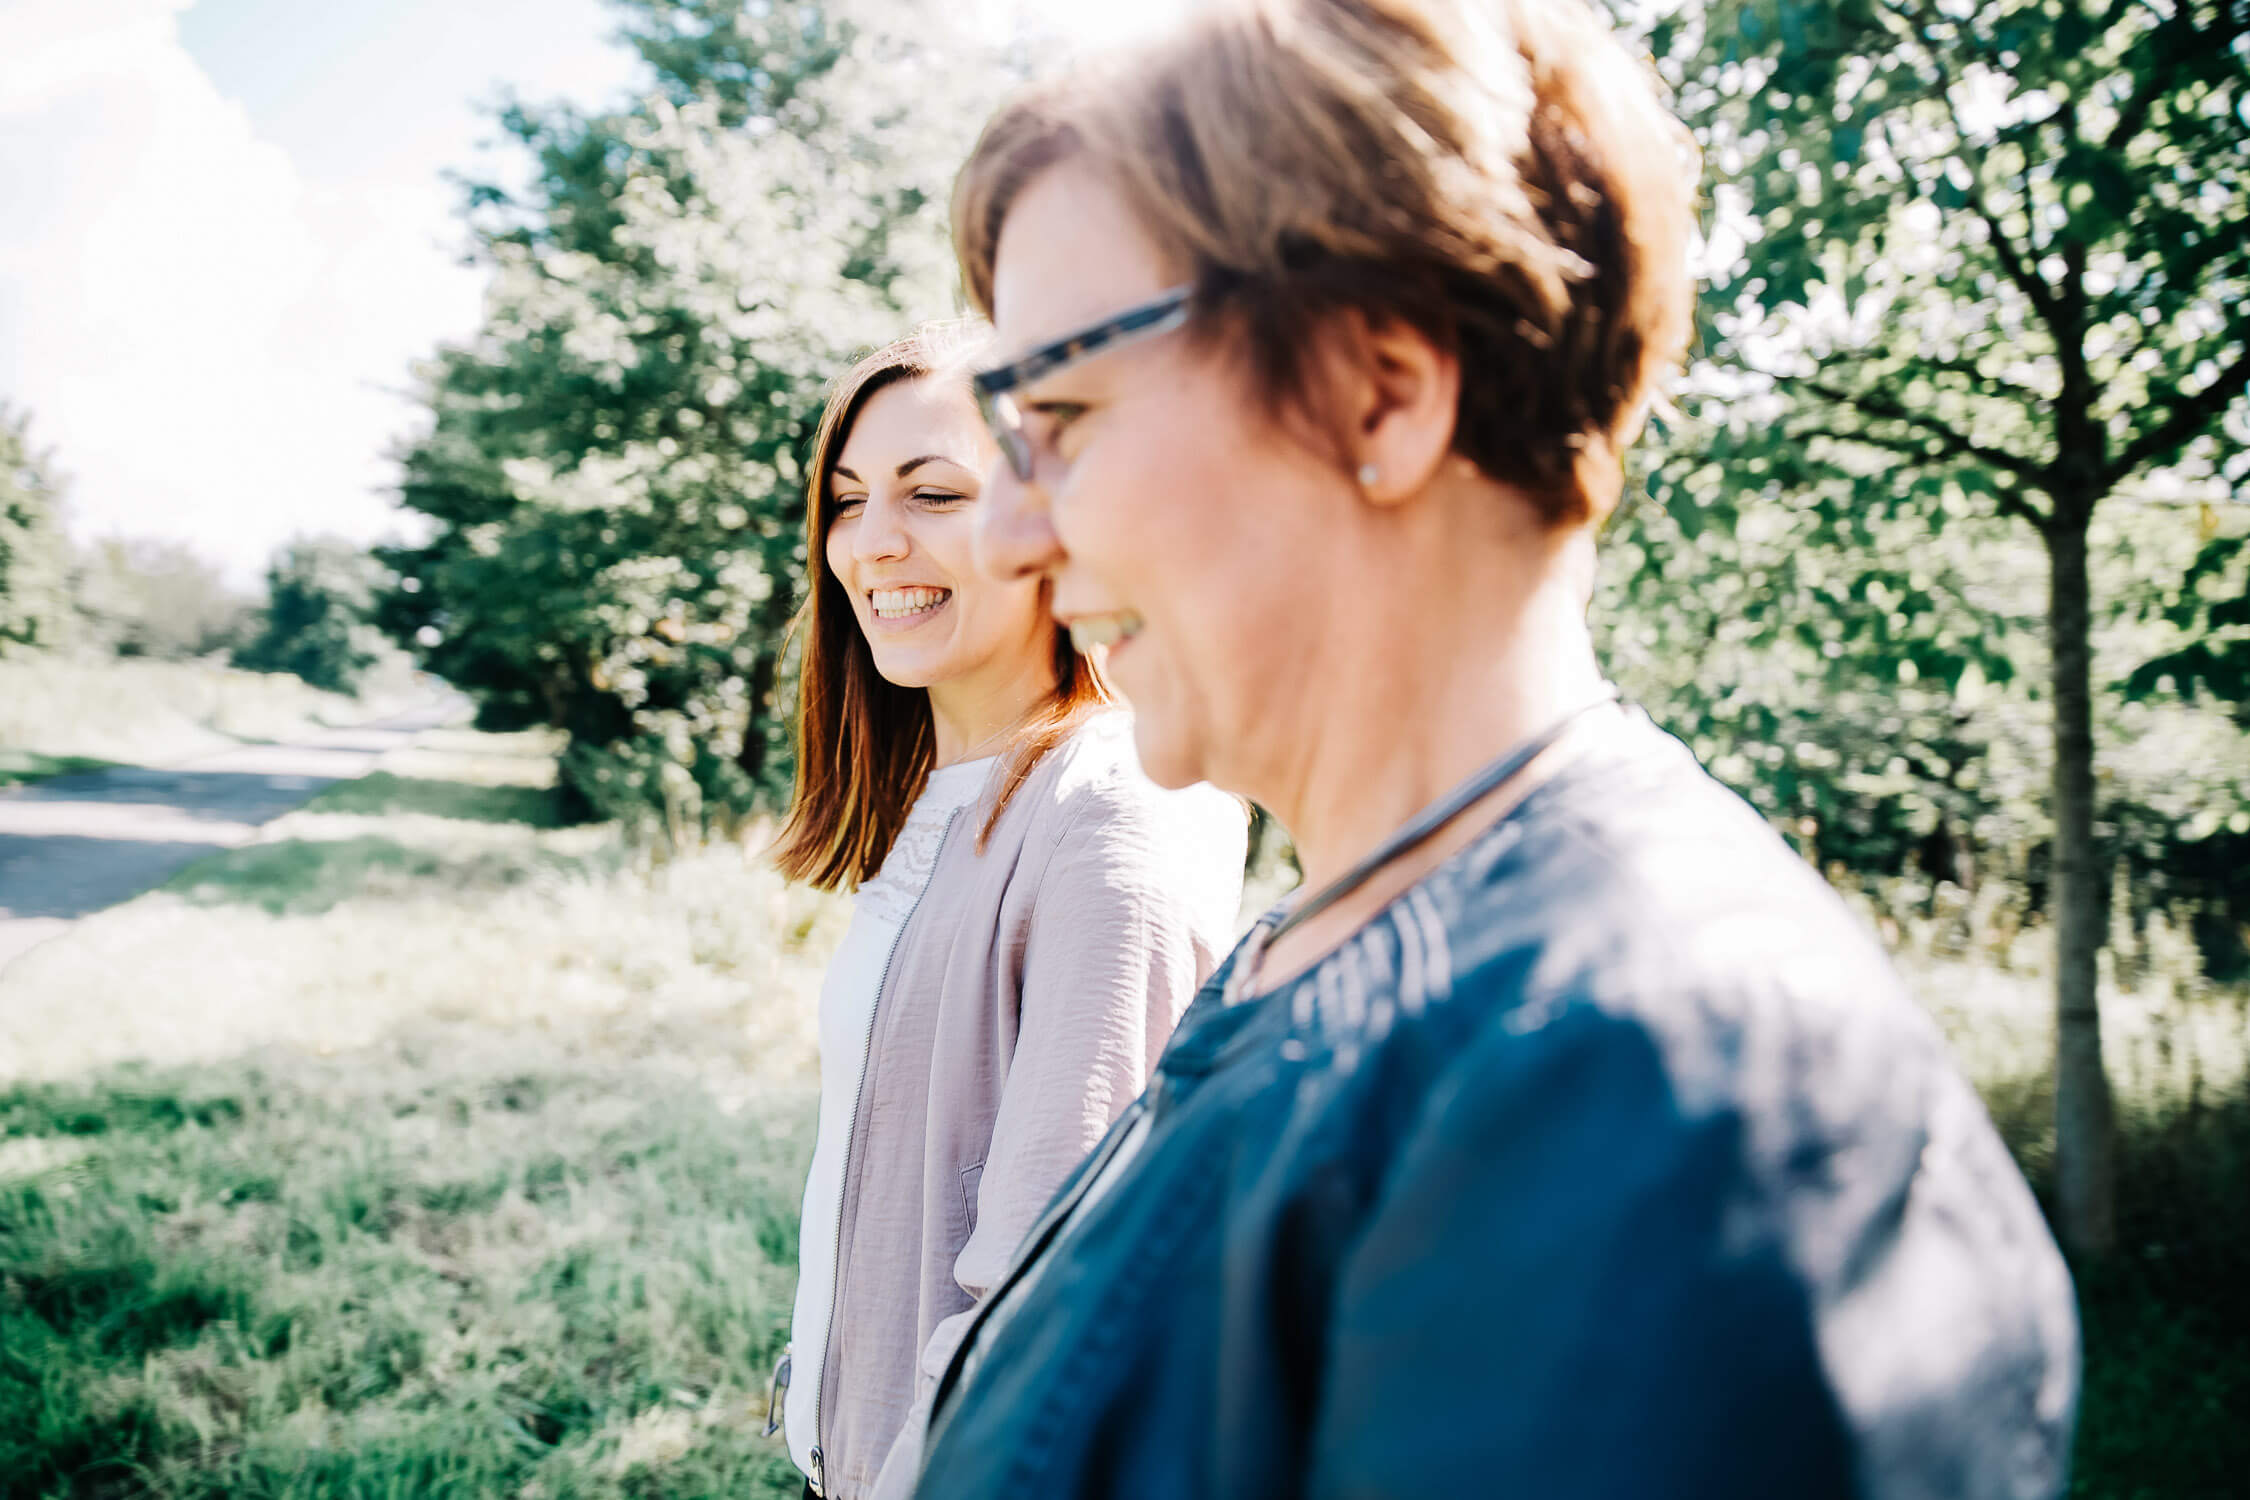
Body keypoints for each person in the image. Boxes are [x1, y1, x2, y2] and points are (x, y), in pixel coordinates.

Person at [890, 2, 2082, 1496]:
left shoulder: (1653, 1096)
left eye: (1056, 412)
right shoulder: (1351, 938)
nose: (1007, 525)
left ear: (1380, 390)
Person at [765, 324, 1246, 1500]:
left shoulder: (1112, 816)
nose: (874, 543)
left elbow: (1049, 1304)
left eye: (934, 493)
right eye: (847, 499)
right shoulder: (951, 789)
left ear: (1054, 521)